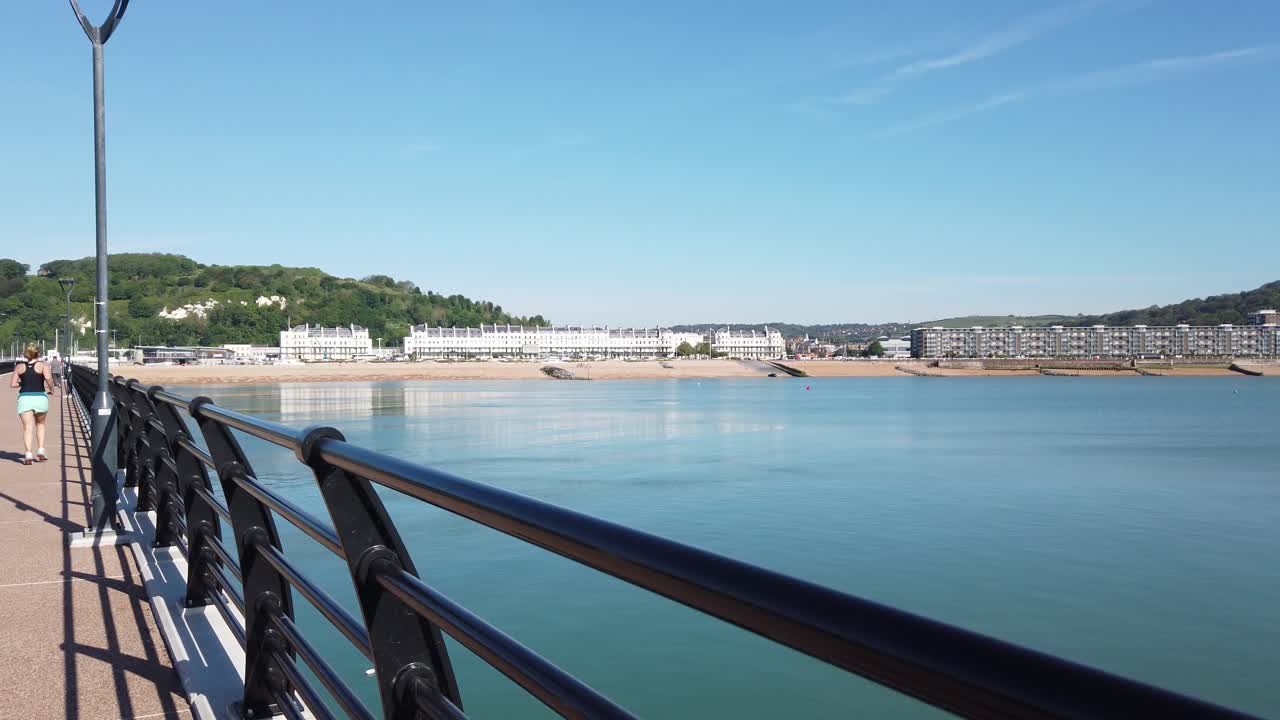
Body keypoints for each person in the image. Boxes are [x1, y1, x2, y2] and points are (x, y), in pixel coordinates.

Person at [10, 343, 54, 465]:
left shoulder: (19, 367)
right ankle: (40, 450)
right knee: (40, 424)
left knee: (27, 428)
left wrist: (22, 384)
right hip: (40, 397)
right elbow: (49, 379)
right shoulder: (43, 366)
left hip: (24, 398)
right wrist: (52, 389)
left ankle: (28, 454)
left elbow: (13, 384)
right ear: (38, 354)